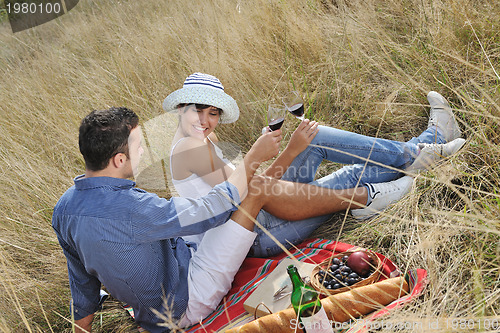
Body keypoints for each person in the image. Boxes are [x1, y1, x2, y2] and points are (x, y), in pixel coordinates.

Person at [53, 107, 422, 332]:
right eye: (137, 147)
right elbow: (203, 214)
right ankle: (372, 193)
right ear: (118, 161)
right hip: (187, 296)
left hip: (183, 255)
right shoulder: (130, 205)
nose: (145, 150)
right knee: (263, 191)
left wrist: (80, 329)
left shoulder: (65, 208)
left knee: (290, 178)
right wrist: (252, 161)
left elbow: (80, 280)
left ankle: (414, 157)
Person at [165, 73, 466, 257]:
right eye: (197, 110)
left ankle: (421, 151)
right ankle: (428, 144)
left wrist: (275, 154)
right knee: (342, 170)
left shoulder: (199, 138)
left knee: (315, 138)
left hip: (264, 212)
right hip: (262, 233)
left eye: (212, 112)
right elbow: (253, 196)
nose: (204, 120)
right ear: (181, 108)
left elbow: (257, 189)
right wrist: (279, 154)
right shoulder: (190, 148)